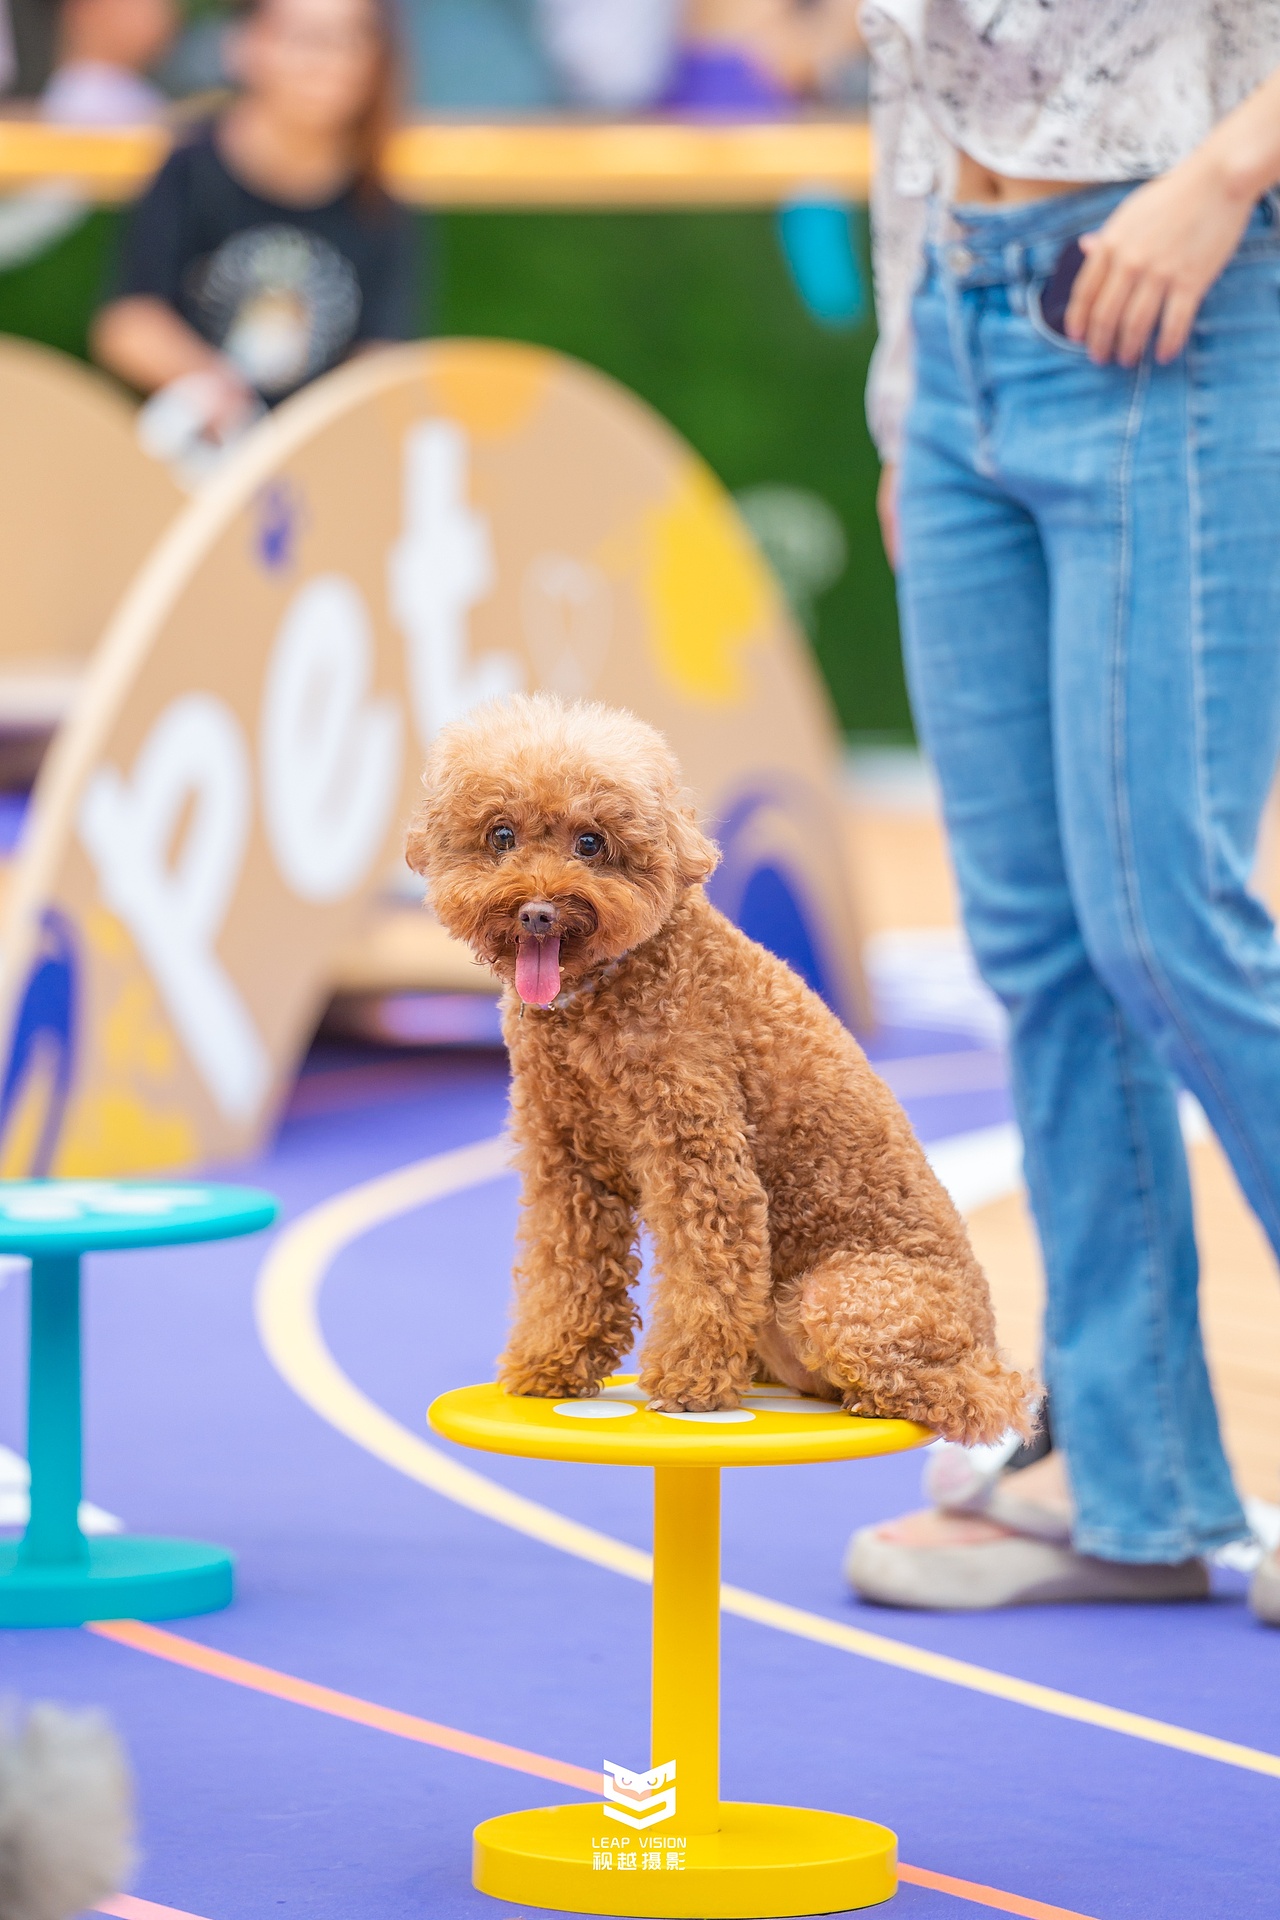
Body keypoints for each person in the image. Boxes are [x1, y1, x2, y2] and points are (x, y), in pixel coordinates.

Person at [844, 1, 1280, 1626]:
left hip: (1181, 296)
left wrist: (1229, 169)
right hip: (962, 330)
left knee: (1174, 931)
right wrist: (910, 385)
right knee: (1038, 950)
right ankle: (1134, 1478)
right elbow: (913, 73)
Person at [92, 0, 416, 446]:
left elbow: (381, 359)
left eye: (349, 39)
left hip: (314, 467)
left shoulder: (380, 200)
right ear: (244, 44)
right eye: (303, 37)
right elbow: (129, 325)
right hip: (195, 455)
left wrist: (308, 438)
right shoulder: (190, 169)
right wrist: (211, 389)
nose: (324, 62)